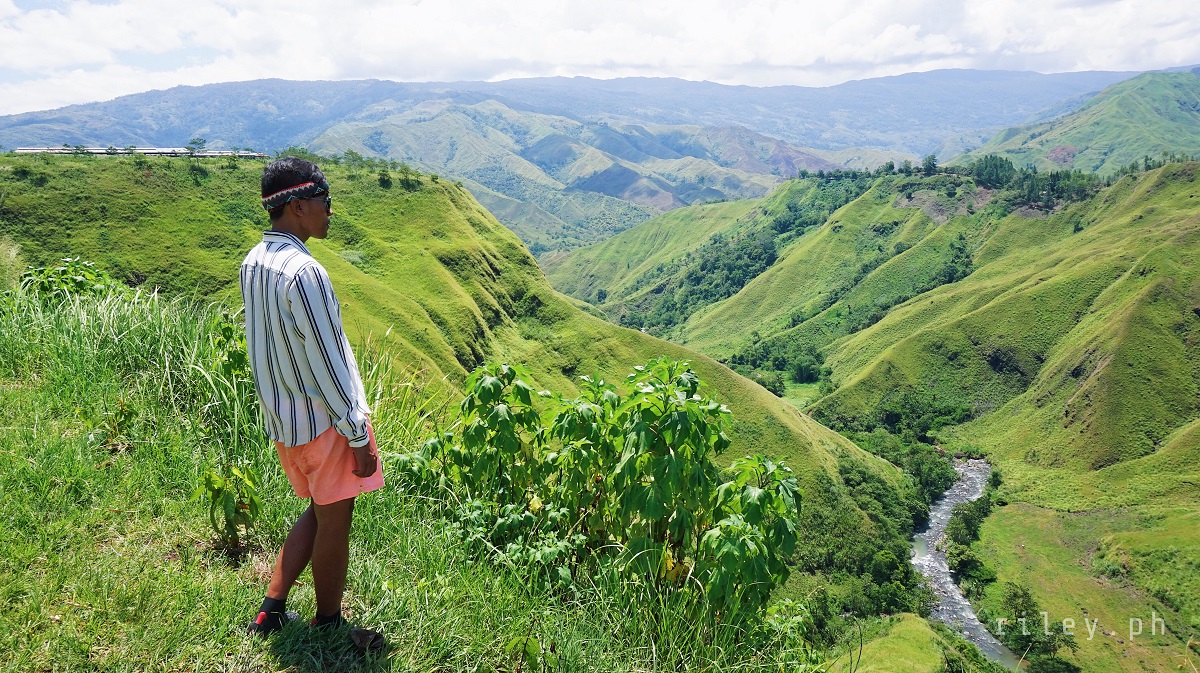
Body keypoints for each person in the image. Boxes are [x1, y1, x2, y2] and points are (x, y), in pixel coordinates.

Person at [239, 157, 383, 637]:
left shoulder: (254, 261)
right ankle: (329, 624)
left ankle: (271, 609)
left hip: (286, 422)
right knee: (336, 520)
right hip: (324, 422)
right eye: (324, 201)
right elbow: (328, 363)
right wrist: (357, 435)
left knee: (323, 510)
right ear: (298, 206)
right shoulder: (305, 273)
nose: (330, 211)